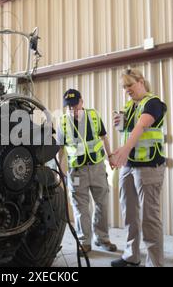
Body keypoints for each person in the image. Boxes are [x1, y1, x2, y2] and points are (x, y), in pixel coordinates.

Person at [110, 69, 167, 267]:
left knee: (149, 218)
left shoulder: (153, 103)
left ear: (141, 81)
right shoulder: (130, 106)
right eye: (124, 87)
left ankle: (155, 263)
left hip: (148, 167)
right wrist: (120, 126)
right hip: (129, 166)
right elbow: (129, 132)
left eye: (129, 85)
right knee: (130, 214)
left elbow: (142, 127)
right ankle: (131, 255)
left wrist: (124, 150)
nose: (127, 90)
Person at [57, 89, 117, 255]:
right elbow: (61, 149)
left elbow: (104, 137)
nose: (72, 110)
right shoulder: (62, 122)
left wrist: (110, 156)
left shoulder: (94, 116)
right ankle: (84, 242)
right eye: (69, 107)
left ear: (82, 102)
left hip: (97, 168)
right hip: (76, 172)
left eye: (75, 106)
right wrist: (59, 172)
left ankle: (102, 238)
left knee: (102, 205)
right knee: (80, 208)